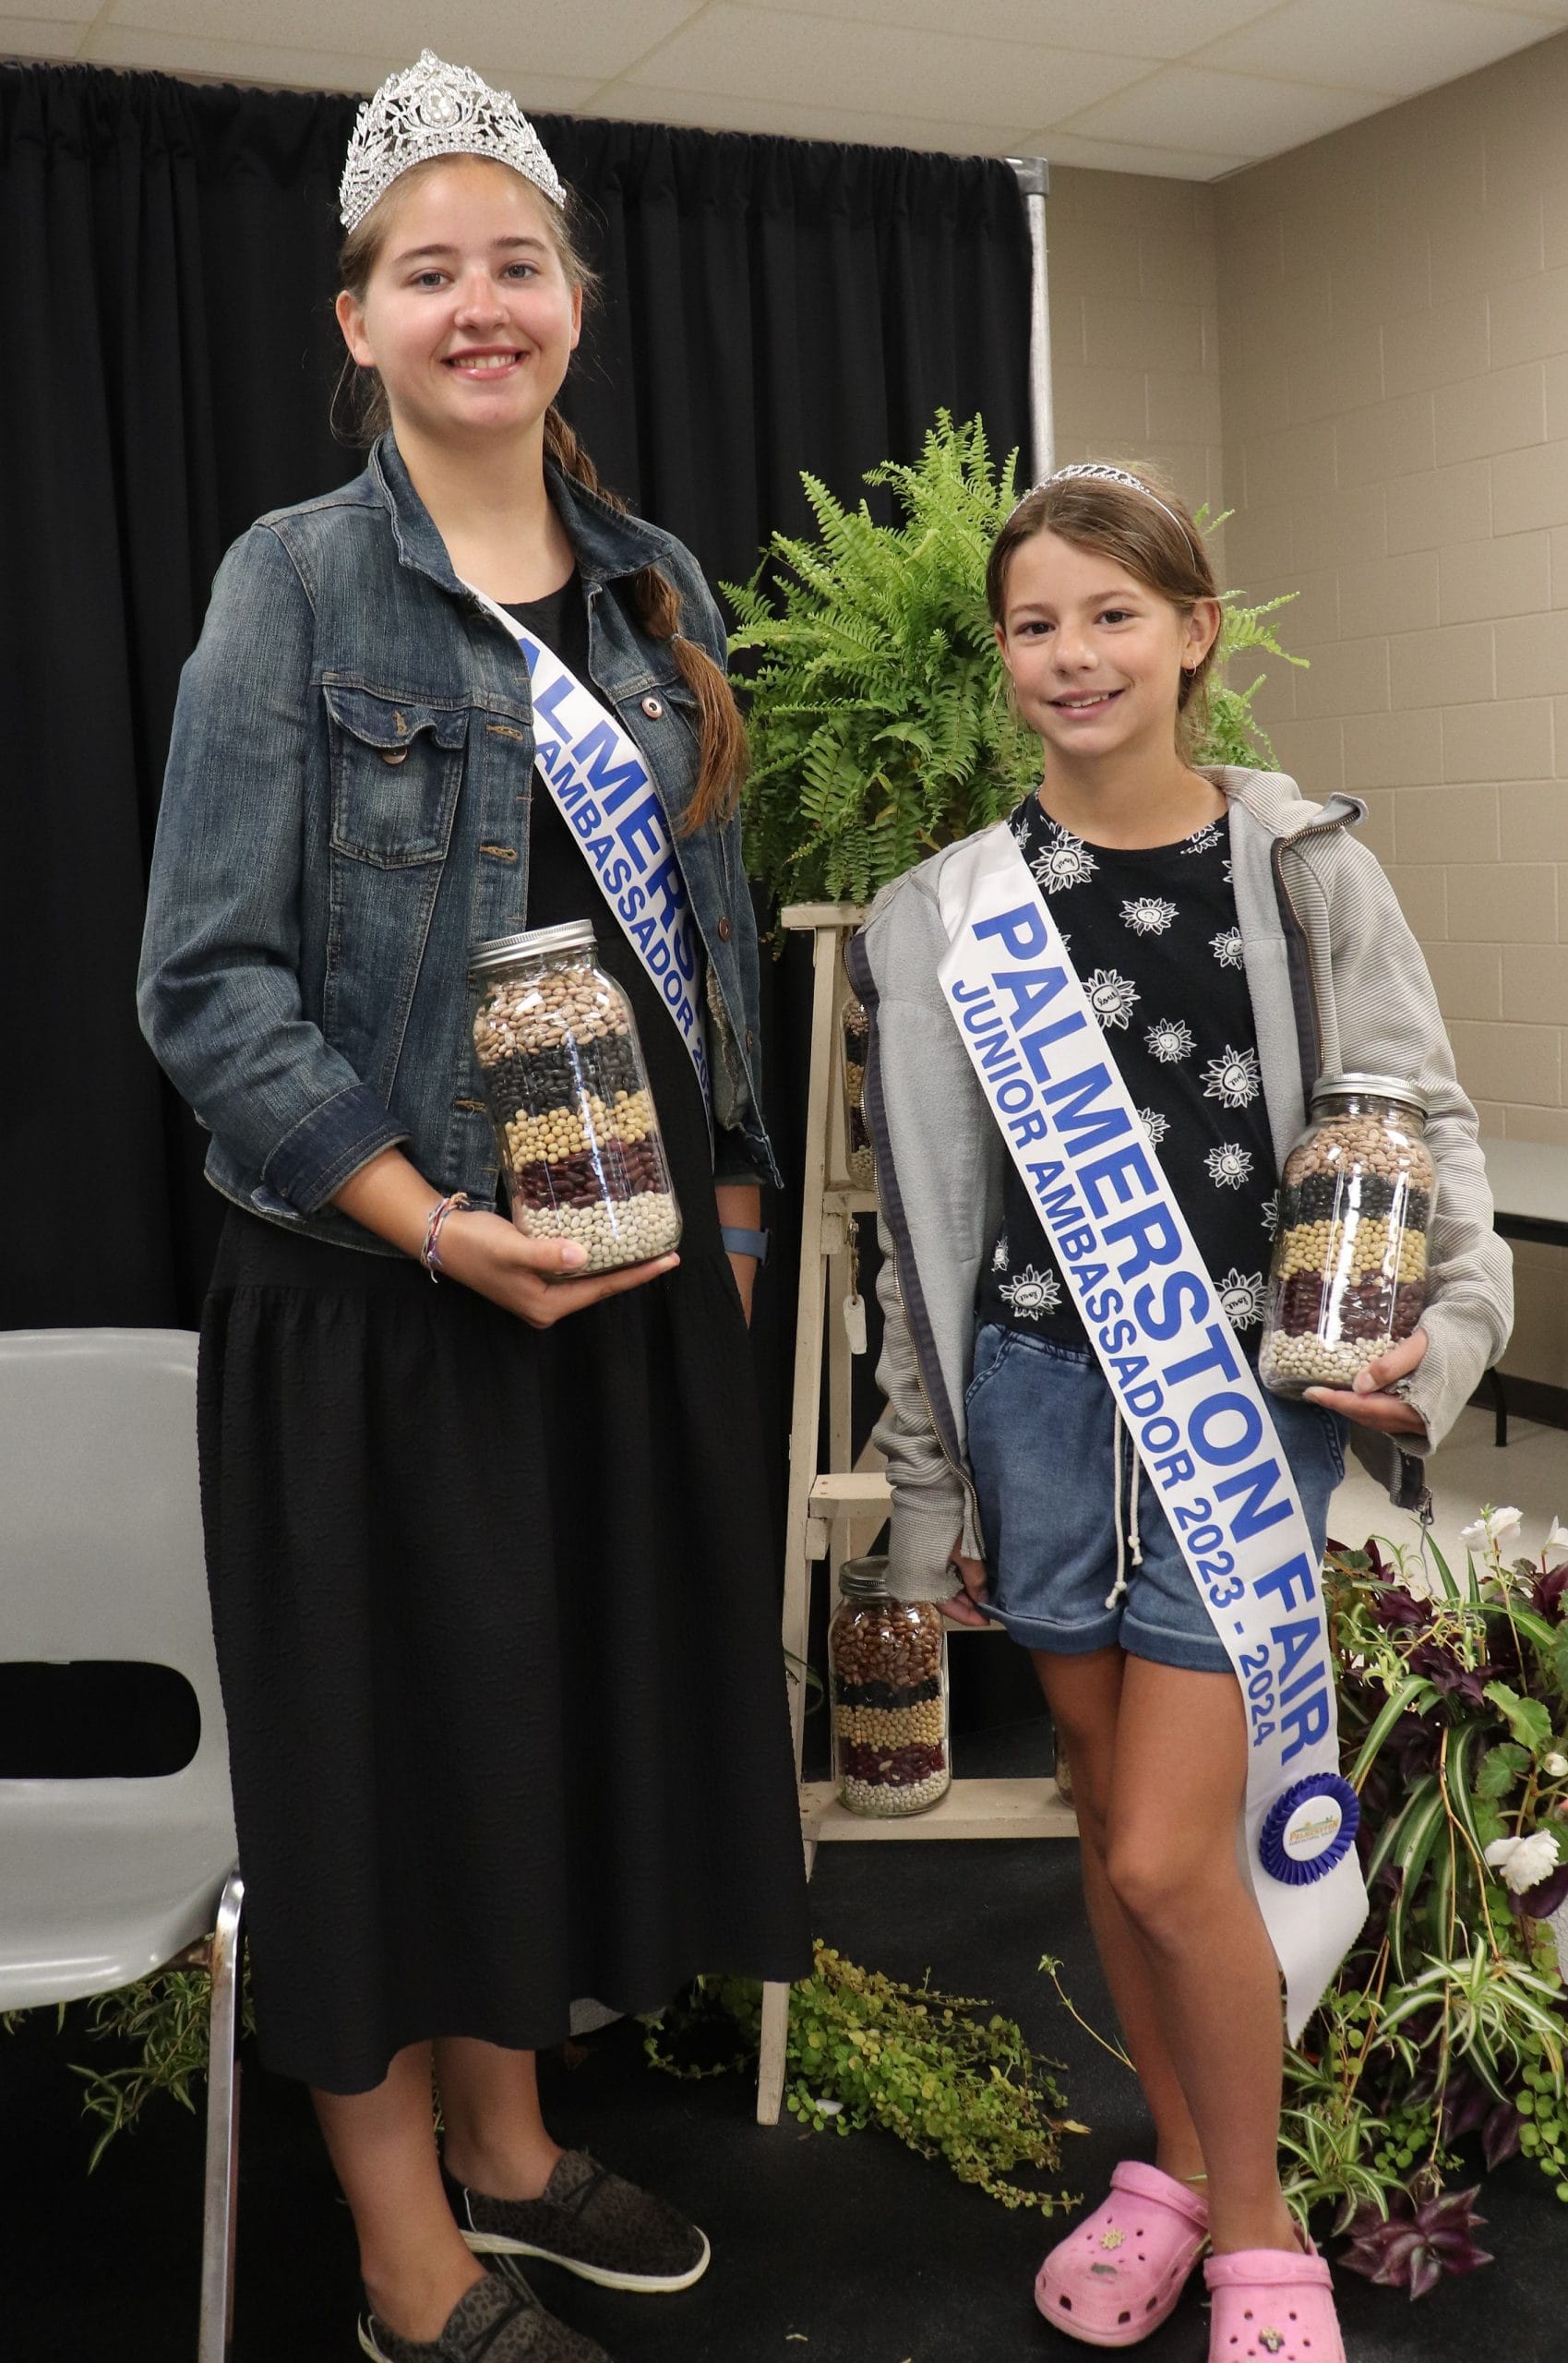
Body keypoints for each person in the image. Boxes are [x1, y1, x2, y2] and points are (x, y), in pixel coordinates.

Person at [138, 52, 809, 2363]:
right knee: (379, 1770)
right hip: (384, 1290)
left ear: (576, 300)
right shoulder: (291, 585)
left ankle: (515, 2154)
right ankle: (405, 2258)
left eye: (513, 261)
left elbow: (701, 924)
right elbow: (200, 986)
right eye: (429, 271)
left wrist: (717, 1205)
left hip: (613, 1285)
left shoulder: (656, 581)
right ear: (358, 319)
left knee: (534, 1734)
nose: (478, 303)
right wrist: (429, 1214)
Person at [847, 462, 1512, 2363]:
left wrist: (1442, 1349)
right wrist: (925, 1486)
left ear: (1195, 629)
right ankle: (1168, 2156)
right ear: (1003, 656)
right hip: (1037, 1401)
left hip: (1235, 1400)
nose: (1076, 655)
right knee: (1095, 1806)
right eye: (1038, 625)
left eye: (1114, 614)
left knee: (1164, 1851)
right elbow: (922, 1230)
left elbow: (1425, 1132)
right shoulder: (944, 915)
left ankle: (1256, 2220)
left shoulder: (1308, 871)